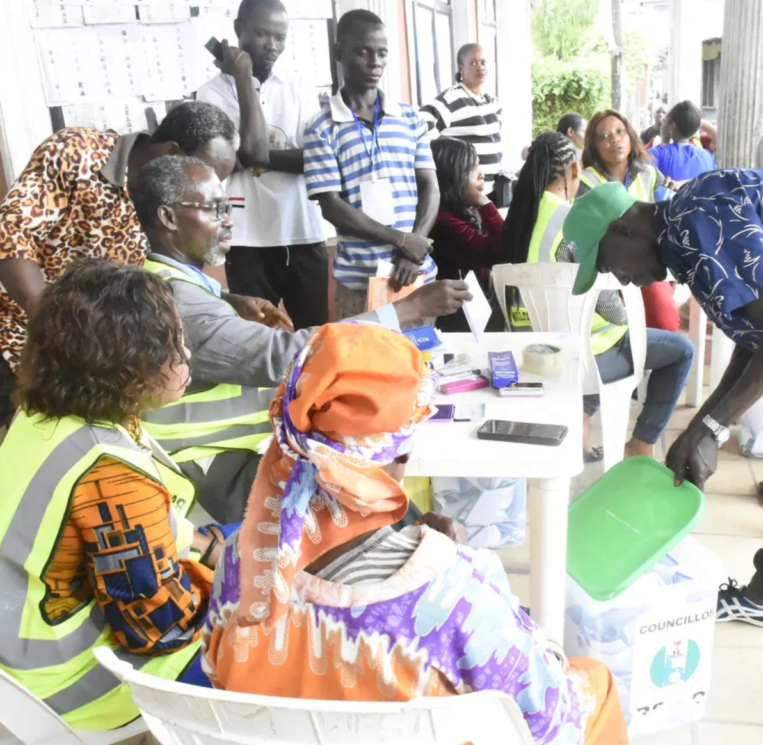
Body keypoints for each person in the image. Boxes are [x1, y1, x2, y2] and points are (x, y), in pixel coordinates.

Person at [201, 322, 630, 745]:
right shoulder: (455, 594)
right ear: (401, 453)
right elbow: (546, 729)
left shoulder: (240, 557)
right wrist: (472, 572)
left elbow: (217, 673)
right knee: (595, 682)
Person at [129, 155, 472, 523]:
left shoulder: (171, 282)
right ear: (167, 217)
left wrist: (230, 301)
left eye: (227, 206)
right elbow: (283, 357)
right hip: (213, 462)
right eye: (215, 209)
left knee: (372, 489)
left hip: (245, 445)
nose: (228, 219)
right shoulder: (180, 301)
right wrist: (408, 309)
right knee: (362, 509)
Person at [0, 260, 239, 730]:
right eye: (173, 345)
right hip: (72, 683)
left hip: (17, 644)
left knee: (248, 539)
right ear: (127, 363)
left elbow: (142, 531)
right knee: (279, 632)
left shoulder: (40, 415)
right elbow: (158, 629)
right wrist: (240, 591)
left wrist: (211, 548)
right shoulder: (110, 473)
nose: (187, 356)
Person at [562, 169, 763, 626]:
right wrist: (703, 427)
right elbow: (757, 337)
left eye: (609, 262)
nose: (621, 278)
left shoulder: (696, 224)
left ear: (623, 230)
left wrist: (710, 428)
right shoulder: (682, 232)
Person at [0, 101, 239, 427]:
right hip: (17, 342)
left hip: (90, 361)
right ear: (171, 152)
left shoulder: (166, 207)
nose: (209, 187)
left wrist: (227, 300)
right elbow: (11, 236)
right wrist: (52, 326)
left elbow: (154, 278)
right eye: (205, 174)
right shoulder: (75, 153)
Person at [501, 132, 693, 462]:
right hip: (586, 353)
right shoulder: (572, 226)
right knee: (679, 350)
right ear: (574, 170)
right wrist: (626, 316)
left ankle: (582, 424)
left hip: (535, 348)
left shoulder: (523, 218)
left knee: (589, 333)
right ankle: (643, 441)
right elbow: (600, 301)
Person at [196, 0, 329, 330]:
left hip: (302, 231)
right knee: (254, 339)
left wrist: (250, 157)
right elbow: (227, 160)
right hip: (246, 237)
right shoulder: (211, 94)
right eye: (261, 33)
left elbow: (315, 157)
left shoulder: (298, 85)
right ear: (238, 29)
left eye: (280, 36)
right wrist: (244, 77)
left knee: (315, 339)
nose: (272, 45)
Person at [304, 10, 439, 318]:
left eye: (382, 53)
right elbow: (331, 206)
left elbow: (430, 187)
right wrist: (403, 241)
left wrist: (412, 252)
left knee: (422, 363)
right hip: (358, 285)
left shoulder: (410, 118)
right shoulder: (321, 127)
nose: (375, 61)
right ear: (339, 53)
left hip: (413, 277)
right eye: (363, 52)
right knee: (362, 364)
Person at [580, 109, 681, 334]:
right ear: (594, 146)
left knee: (665, 323)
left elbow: (667, 191)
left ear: (630, 137)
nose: (614, 139)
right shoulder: (587, 181)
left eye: (620, 132)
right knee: (621, 328)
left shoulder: (648, 172)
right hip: (606, 266)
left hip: (644, 260)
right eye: (604, 136)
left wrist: (671, 188)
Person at [428, 137, 504, 332]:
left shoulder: (460, 214)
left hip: (469, 313)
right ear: (452, 177)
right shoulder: (445, 222)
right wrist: (485, 203)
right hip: (457, 320)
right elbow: (502, 251)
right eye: (472, 169)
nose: (481, 175)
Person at [419, 44, 503, 199]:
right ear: (460, 68)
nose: (480, 67)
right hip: (465, 194)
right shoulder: (451, 99)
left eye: (483, 62)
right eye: (473, 63)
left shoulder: (491, 102)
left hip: (493, 190)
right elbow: (421, 125)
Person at [648, 100, 716, 181]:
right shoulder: (708, 157)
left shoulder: (657, 153)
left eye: (664, 122)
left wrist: (665, 139)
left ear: (672, 127)